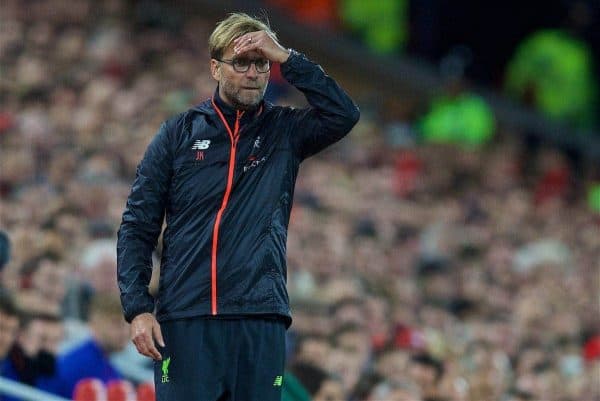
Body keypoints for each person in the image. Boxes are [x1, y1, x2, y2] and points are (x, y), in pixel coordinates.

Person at [117, 12, 359, 401]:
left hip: (260, 317)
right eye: (241, 62)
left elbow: (344, 114)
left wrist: (287, 57)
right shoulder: (179, 134)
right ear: (215, 68)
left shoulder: (285, 130)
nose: (252, 72)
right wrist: (137, 306)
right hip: (187, 317)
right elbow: (137, 224)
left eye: (261, 63)